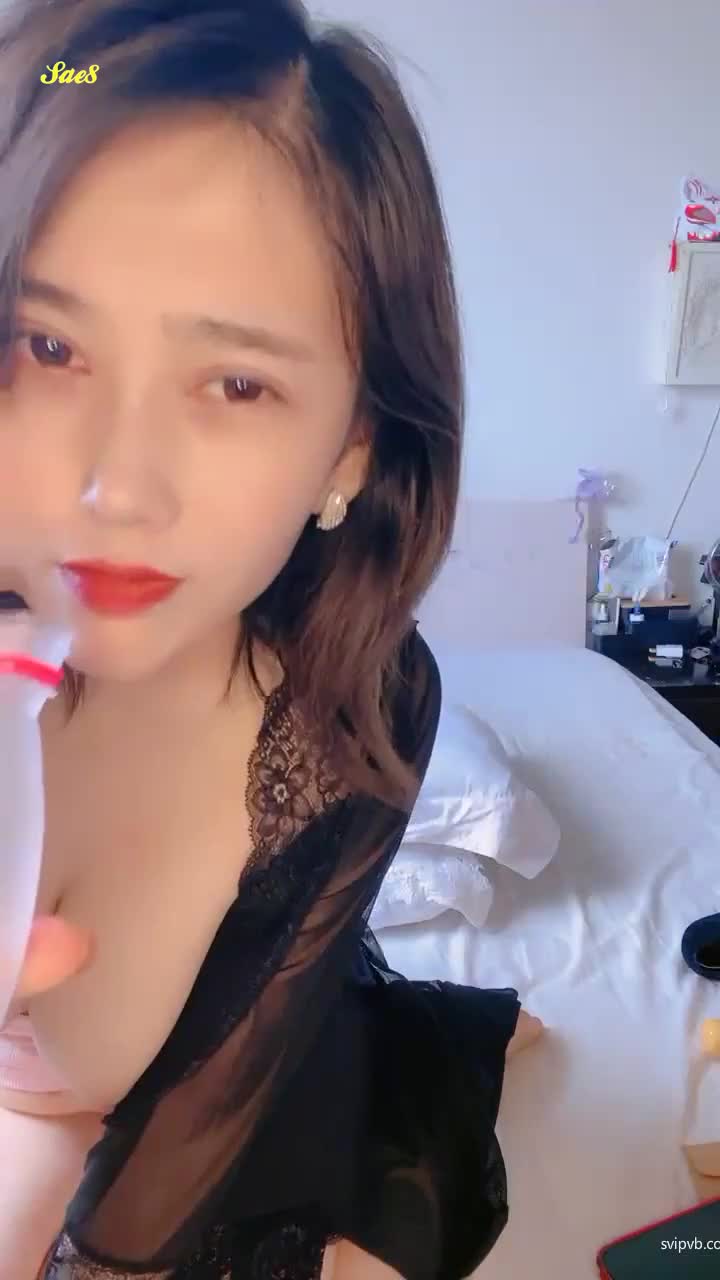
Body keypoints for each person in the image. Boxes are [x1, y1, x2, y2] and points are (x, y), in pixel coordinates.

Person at [0, 1, 542, 1276]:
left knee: (383, 1189)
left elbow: (142, 1223)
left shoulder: (355, 706)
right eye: (48, 344)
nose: (116, 489)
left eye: (236, 383)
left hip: (259, 1069)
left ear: (350, 448)